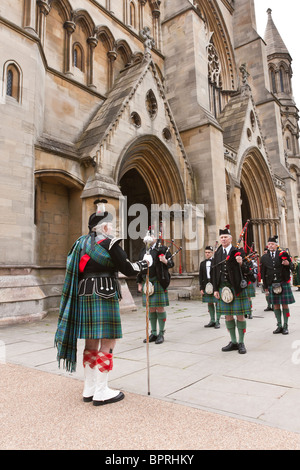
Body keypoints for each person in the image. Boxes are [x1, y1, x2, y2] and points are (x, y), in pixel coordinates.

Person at [55, 199, 148, 406]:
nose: (114, 229)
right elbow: (128, 269)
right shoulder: (109, 243)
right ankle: (101, 390)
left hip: (84, 294)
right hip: (104, 293)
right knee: (108, 340)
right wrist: (145, 262)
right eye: (112, 225)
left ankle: (89, 388)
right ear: (104, 227)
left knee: (91, 342)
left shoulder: (80, 243)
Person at [211, 226, 254, 354]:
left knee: (240, 315)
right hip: (223, 288)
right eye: (222, 237)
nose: (223, 239)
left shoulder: (238, 251)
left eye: (225, 237)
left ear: (230, 239)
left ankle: (241, 342)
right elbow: (214, 272)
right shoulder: (217, 253)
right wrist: (215, 289)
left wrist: (241, 263)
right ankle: (233, 341)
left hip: (236, 287)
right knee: (228, 315)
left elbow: (248, 270)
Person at [137, 229, 174, 344]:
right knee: (151, 308)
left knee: (160, 308)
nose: (149, 237)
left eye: (152, 235)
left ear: (156, 237)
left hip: (158, 281)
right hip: (146, 281)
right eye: (148, 235)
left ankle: (161, 333)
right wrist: (139, 282)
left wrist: (164, 261)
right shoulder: (143, 251)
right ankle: (153, 333)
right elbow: (140, 267)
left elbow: (171, 264)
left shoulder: (162, 249)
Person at [260, 236, 295, 335]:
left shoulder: (283, 254)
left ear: (276, 245)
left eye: (272, 244)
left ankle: (286, 325)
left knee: (285, 305)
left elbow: (292, 267)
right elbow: (263, 272)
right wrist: (265, 286)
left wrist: (288, 264)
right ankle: (279, 325)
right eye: (269, 244)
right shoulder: (264, 257)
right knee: (275, 306)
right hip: (271, 283)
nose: (270, 246)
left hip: (282, 282)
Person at [199, 246, 219, 328]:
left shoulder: (216, 262)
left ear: (212, 253)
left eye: (209, 252)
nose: (207, 254)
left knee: (217, 303)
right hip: (206, 284)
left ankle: (218, 321)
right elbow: (201, 276)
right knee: (209, 302)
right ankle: (212, 320)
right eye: (206, 252)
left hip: (214, 283)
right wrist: (201, 287)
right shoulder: (202, 263)